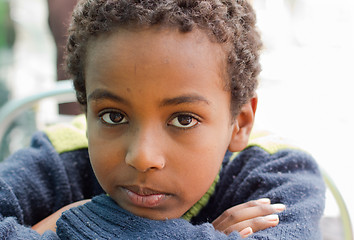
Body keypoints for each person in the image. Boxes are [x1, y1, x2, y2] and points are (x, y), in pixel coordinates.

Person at [0, 0, 325, 239]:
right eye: (114, 116)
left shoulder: (280, 176)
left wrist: (66, 226)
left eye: (183, 119)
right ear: (85, 112)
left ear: (238, 123)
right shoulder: (59, 156)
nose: (142, 157)